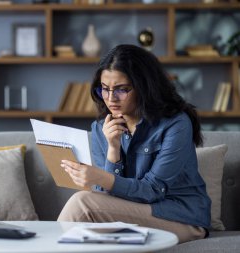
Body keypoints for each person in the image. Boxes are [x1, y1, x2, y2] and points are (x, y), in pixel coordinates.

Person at [57, 44, 210, 243]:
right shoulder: (101, 128)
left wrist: (100, 177)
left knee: (82, 203)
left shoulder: (176, 124)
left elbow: (153, 190)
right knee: (85, 231)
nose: (111, 98)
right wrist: (113, 149)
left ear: (144, 87)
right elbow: (105, 199)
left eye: (122, 90)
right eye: (104, 89)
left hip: (180, 217)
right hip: (130, 213)